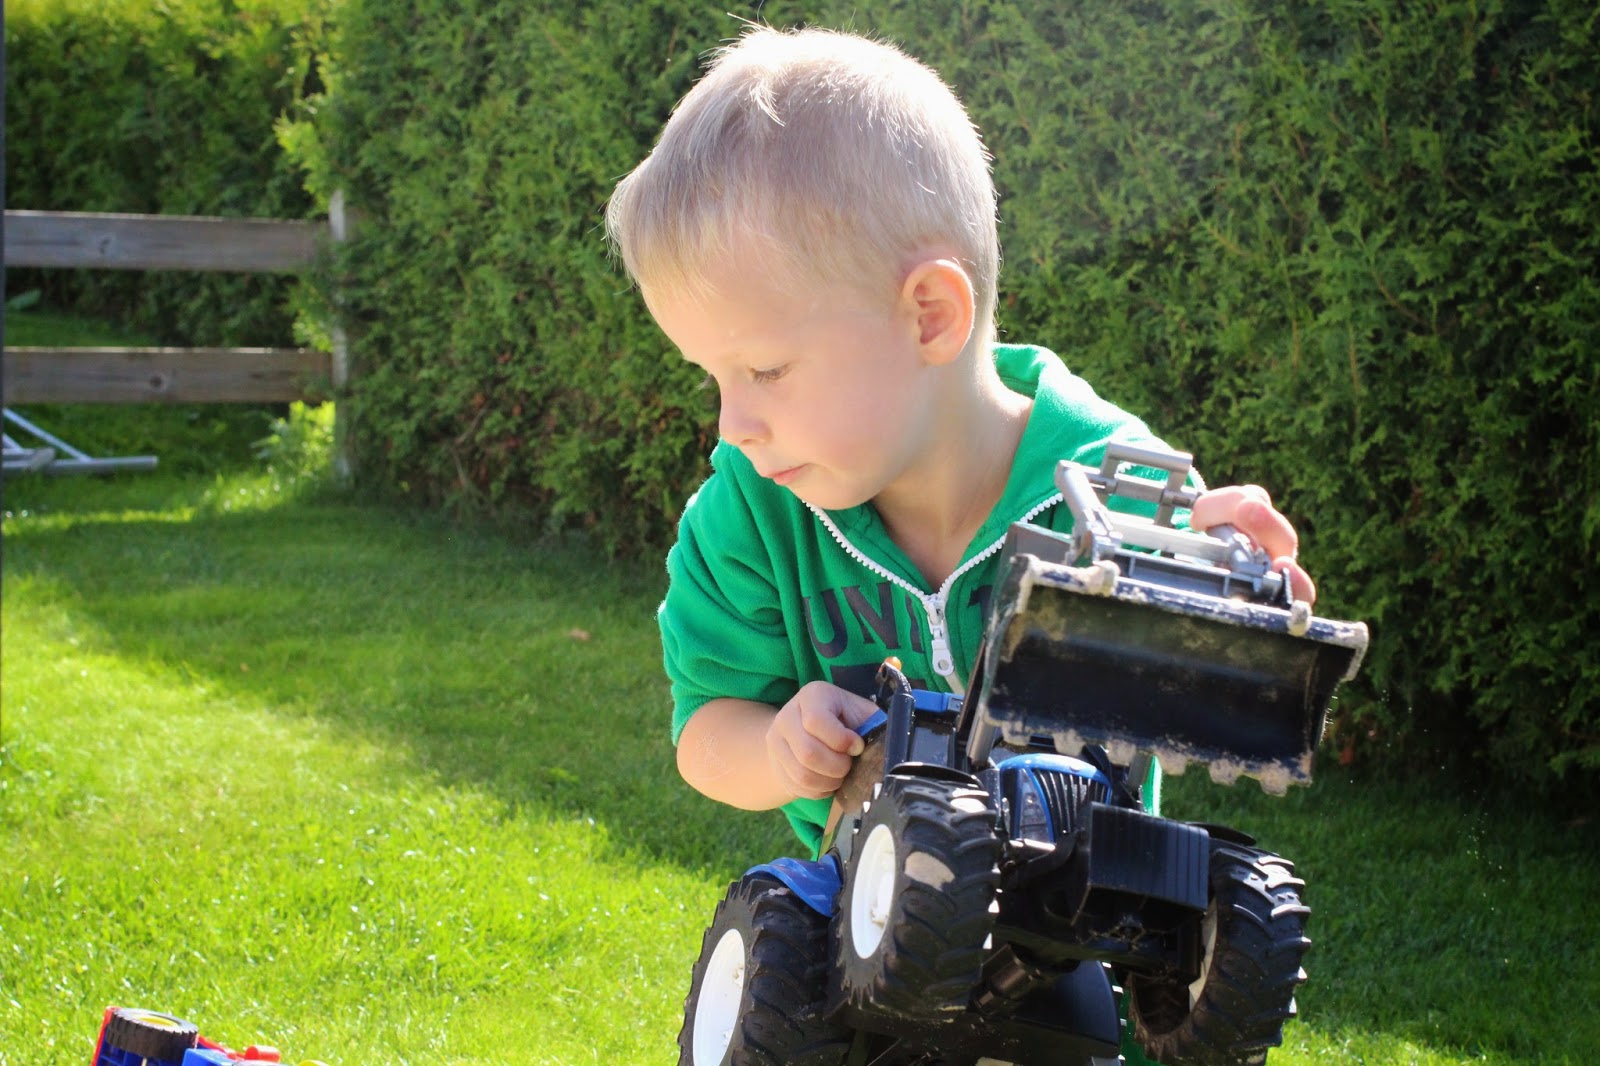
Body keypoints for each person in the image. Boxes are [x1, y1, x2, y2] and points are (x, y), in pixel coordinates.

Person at [604, 25, 1314, 856]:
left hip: (1075, 891)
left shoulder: (1114, 495)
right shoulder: (752, 515)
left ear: (930, 317)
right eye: (714, 378)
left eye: (765, 370)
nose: (733, 425)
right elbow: (705, 728)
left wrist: (1236, 580)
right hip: (868, 904)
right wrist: (775, 749)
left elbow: (1207, 686)